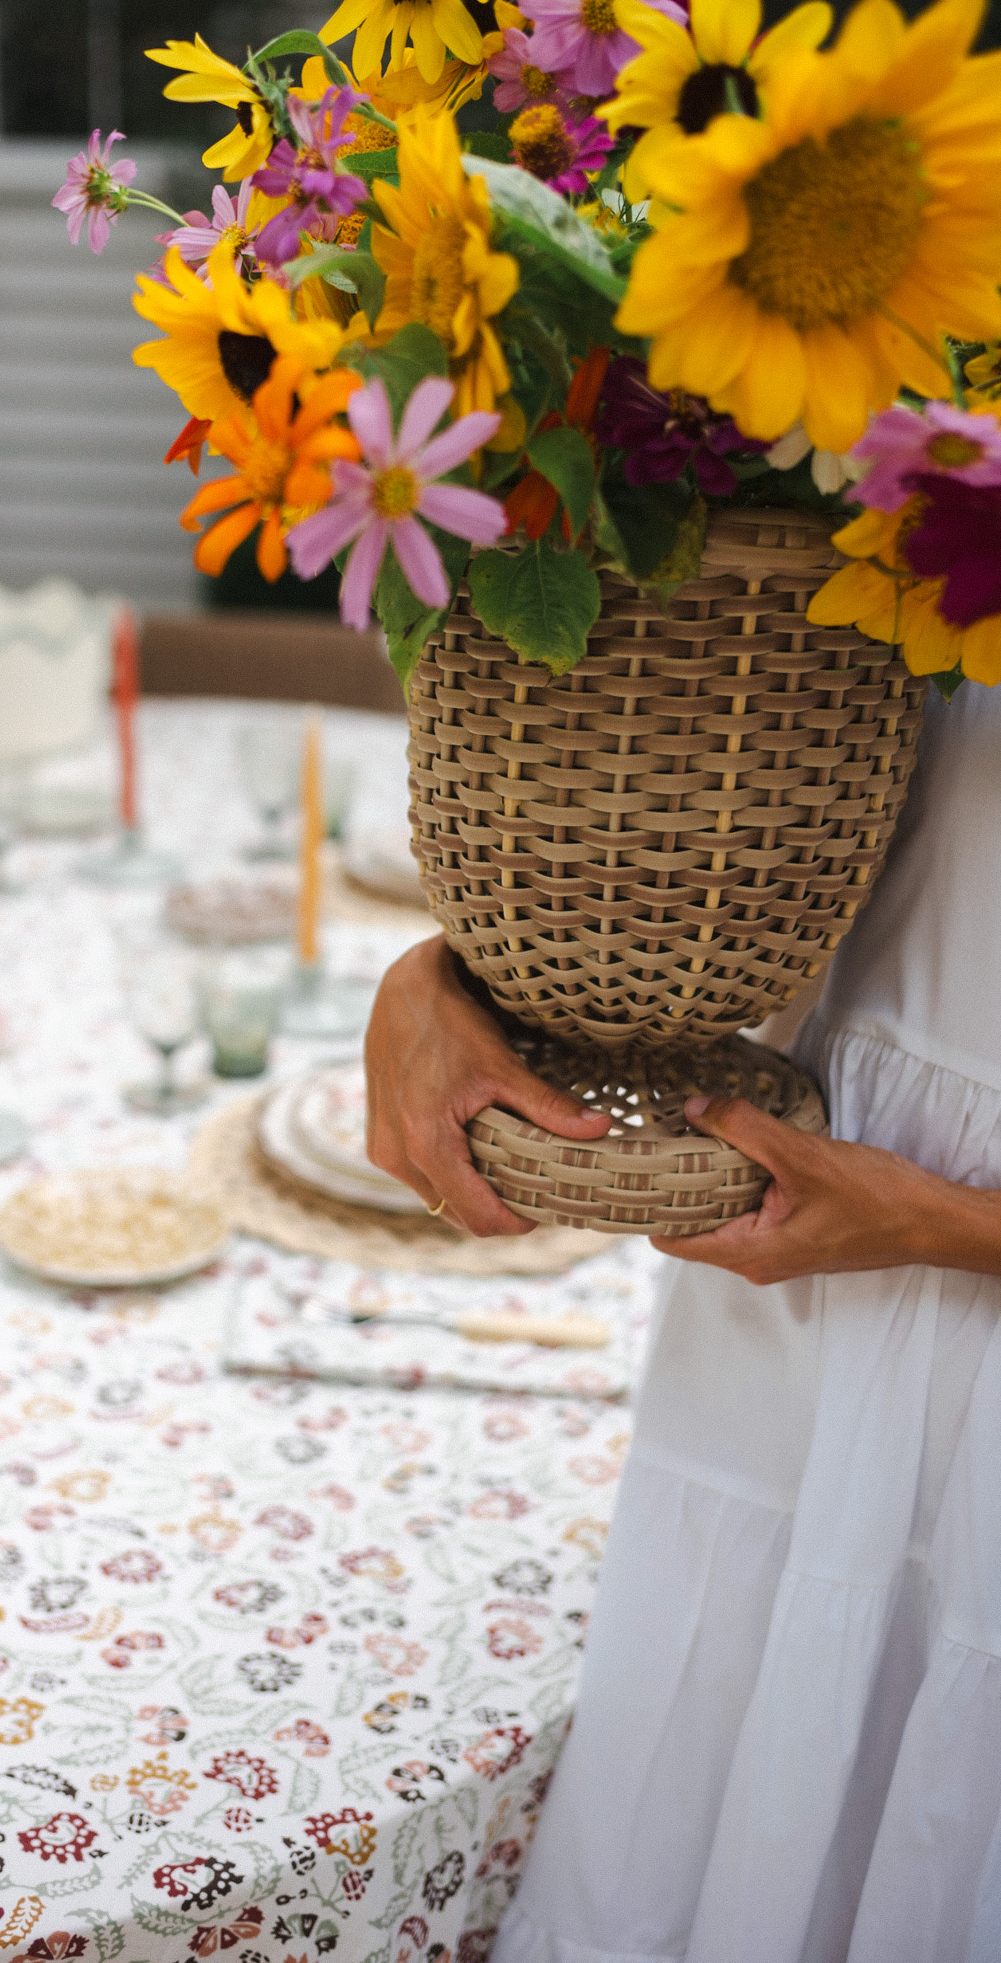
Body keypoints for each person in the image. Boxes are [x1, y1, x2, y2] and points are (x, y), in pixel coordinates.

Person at [365, 679, 1001, 1962]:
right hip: (780, 1330)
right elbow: (718, 764)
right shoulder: (883, 485)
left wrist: (946, 1225)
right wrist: (449, 974)